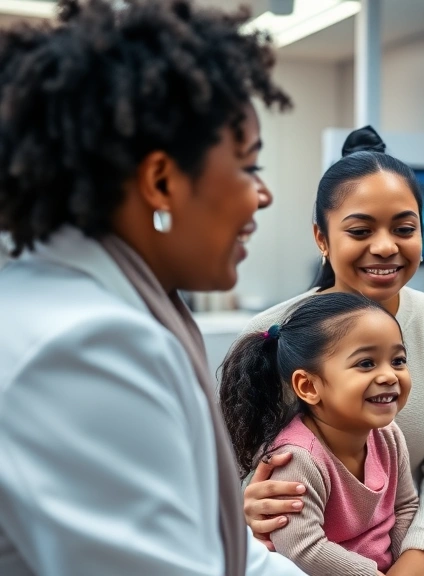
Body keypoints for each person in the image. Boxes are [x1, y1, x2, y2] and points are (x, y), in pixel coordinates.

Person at [0, 0, 304, 574]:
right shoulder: (82, 348)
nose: (262, 196)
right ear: (162, 181)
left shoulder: (90, 306)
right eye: (248, 167)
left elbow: (224, 555)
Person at [239, 126, 424, 576]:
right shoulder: (271, 333)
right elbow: (235, 474)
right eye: (360, 230)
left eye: (404, 228)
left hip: (410, 542)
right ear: (322, 239)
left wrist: (419, 554)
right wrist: (247, 503)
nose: (385, 246)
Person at [221, 293, 419, 576]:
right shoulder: (297, 459)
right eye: (366, 363)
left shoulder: (388, 436)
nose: (389, 375)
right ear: (308, 386)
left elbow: (406, 506)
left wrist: (405, 566)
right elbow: (303, 548)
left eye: (398, 360)